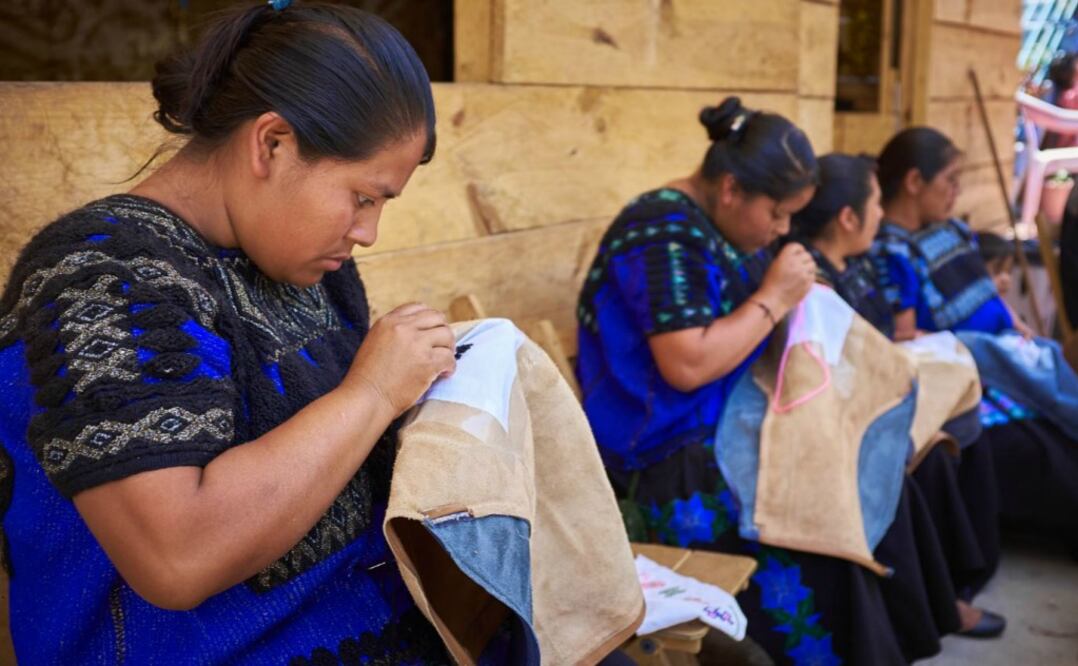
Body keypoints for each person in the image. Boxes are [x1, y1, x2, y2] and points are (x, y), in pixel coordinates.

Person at [0, 2, 457, 663]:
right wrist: (373, 393)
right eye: (363, 197)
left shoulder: (310, 273)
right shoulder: (99, 279)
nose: (368, 232)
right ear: (271, 143)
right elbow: (177, 555)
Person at [577, 97, 968, 665]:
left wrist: (799, 294)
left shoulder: (729, 229)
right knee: (821, 523)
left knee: (876, 464)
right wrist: (774, 296)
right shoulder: (661, 232)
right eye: (778, 214)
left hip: (725, 425)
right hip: (666, 460)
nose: (783, 230)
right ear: (731, 189)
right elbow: (686, 365)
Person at [791, 152, 1007, 635]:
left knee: (960, 430)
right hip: (841, 419)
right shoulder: (814, 282)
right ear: (847, 218)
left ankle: (956, 590)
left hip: (876, 394)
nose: (881, 214)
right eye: (874, 203)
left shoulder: (859, 264)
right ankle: (941, 605)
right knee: (926, 464)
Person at [872, 127, 1078, 558]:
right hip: (974, 376)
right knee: (1052, 456)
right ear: (914, 182)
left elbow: (986, 293)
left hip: (1008, 354)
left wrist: (1015, 321)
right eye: (949, 180)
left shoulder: (950, 230)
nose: (957, 191)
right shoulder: (892, 253)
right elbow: (904, 339)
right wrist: (976, 350)